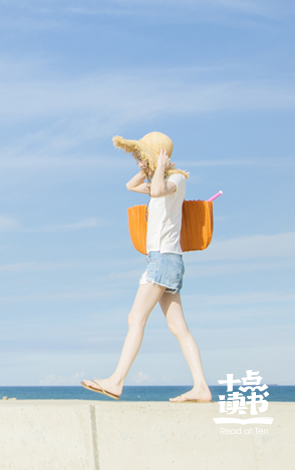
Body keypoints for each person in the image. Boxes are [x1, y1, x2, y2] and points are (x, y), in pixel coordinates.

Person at [82, 132, 212, 403]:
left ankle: (116, 381)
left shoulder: (176, 179)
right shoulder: (160, 182)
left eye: (144, 156)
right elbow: (131, 186)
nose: (142, 160)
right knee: (179, 327)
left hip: (163, 259)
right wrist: (144, 170)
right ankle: (201, 387)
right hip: (164, 259)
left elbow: (156, 190)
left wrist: (161, 165)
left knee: (135, 319)